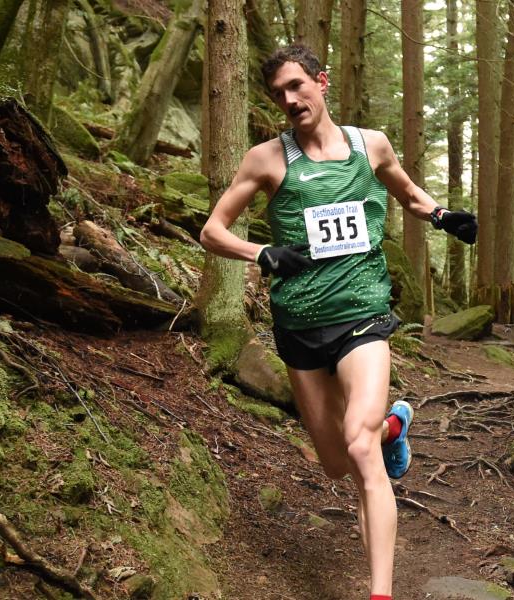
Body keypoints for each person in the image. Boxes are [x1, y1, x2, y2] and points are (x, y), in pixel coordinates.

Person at [198, 45, 478, 600]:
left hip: (362, 315)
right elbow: (212, 231)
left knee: (359, 447)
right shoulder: (266, 160)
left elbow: (405, 190)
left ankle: (380, 592)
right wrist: (262, 253)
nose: (290, 99)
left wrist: (442, 215)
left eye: (297, 85)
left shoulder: (370, 145)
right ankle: (393, 426)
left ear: (321, 82)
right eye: (279, 93)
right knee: (333, 462)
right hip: (299, 325)